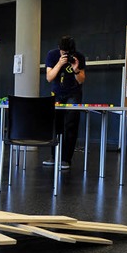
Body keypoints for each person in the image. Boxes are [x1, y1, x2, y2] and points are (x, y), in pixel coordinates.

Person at [43, 35, 86, 170]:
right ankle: (53, 156)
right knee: (55, 125)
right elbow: (49, 78)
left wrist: (76, 69)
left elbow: (81, 80)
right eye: (63, 52)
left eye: (68, 52)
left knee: (71, 125)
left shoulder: (78, 56)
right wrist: (60, 63)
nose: (66, 55)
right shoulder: (52, 55)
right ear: (59, 49)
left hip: (73, 93)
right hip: (57, 94)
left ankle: (66, 159)